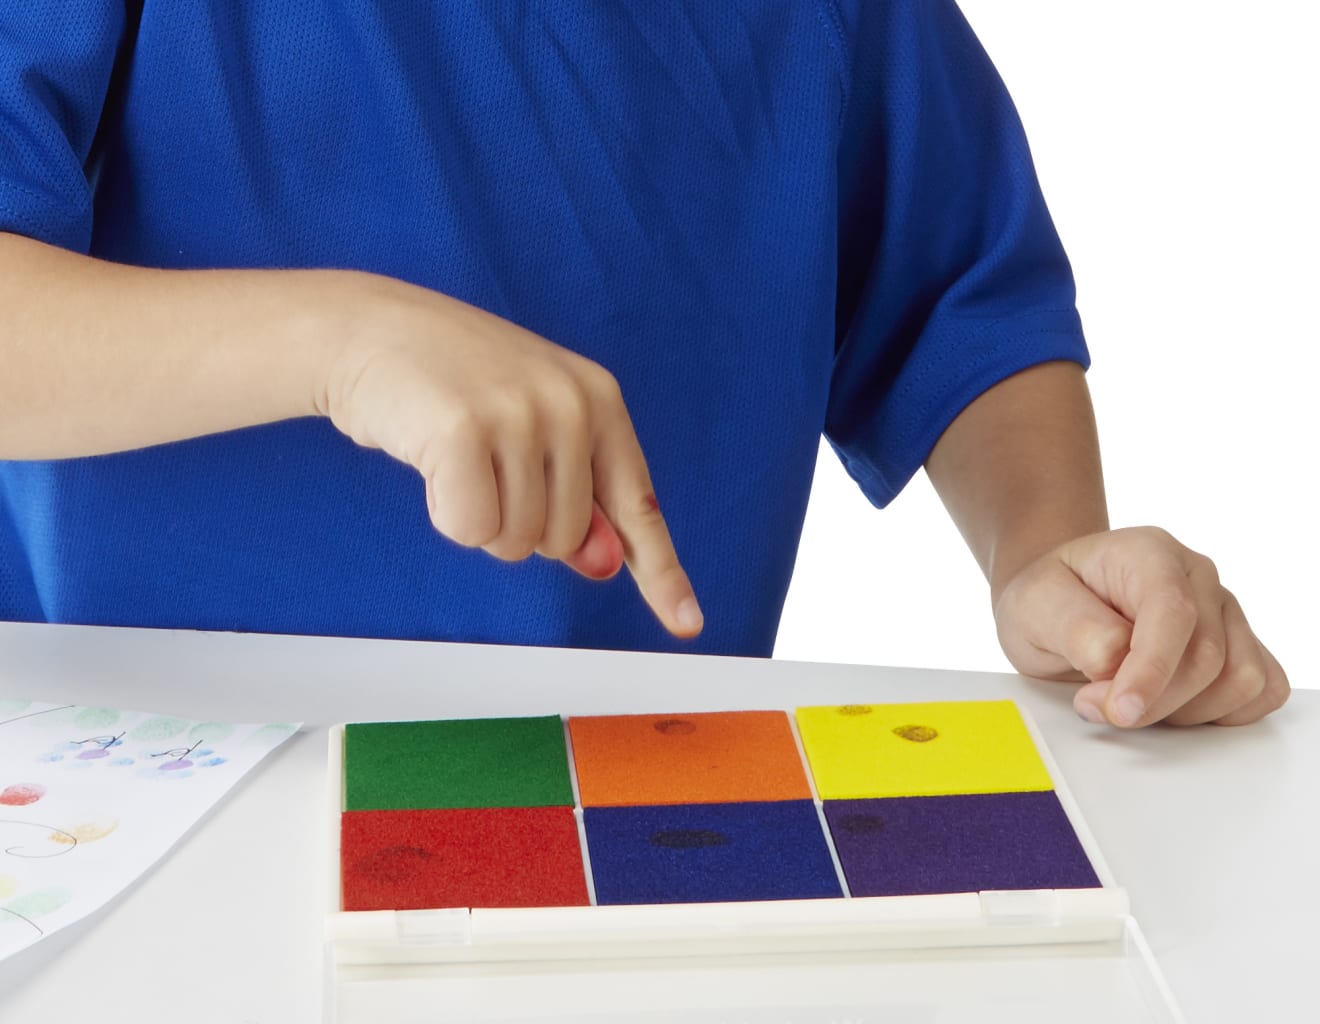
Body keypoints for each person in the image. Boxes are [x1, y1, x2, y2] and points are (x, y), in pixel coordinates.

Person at [0, 1, 1289, 728]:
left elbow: (959, 296)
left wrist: (1048, 556)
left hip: (638, 795)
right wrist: (344, 342)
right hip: (140, 788)